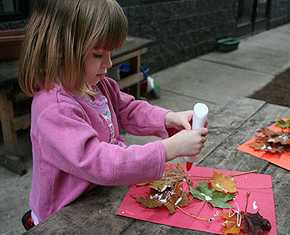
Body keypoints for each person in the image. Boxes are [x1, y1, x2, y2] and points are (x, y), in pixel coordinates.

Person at [18, 0, 208, 228]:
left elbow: (127, 109)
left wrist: (169, 118)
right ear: (60, 49)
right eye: (98, 54)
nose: (108, 63)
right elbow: (98, 162)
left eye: (110, 53)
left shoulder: (98, 85)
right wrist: (168, 149)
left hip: (102, 195)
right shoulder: (53, 109)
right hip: (63, 216)